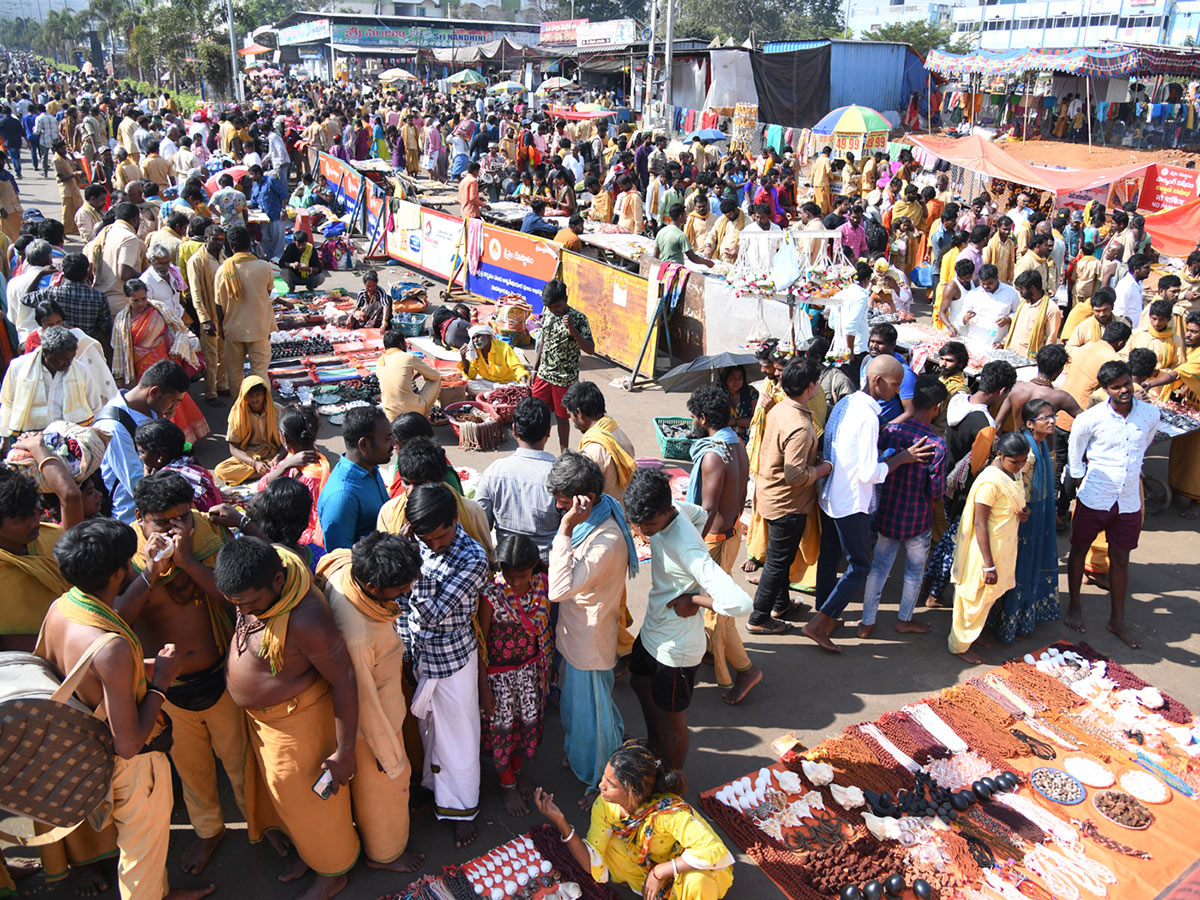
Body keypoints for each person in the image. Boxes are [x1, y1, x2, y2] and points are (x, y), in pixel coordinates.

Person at [37, 518, 215, 900]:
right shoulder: (111, 647)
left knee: (142, 847)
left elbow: (82, 673)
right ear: (119, 573)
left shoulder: (63, 607)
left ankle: (158, 892)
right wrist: (161, 682)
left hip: (82, 743)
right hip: (131, 766)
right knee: (142, 845)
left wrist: (138, 668)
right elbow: (129, 743)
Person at [117, 470, 248, 876]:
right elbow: (118, 617)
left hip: (221, 677)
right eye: (164, 523)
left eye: (184, 518)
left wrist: (187, 561)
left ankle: (262, 823)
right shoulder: (127, 557)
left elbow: (233, 597)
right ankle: (209, 831)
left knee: (241, 761)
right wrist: (151, 572)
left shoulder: (207, 540)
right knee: (192, 771)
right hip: (169, 690)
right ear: (140, 518)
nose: (178, 530)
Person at [217, 537, 361, 900]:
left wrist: (345, 752)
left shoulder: (307, 619)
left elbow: (344, 680)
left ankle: (332, 873)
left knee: (315, 808)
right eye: (237, 604)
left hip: (298, 727)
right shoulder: (263, 574)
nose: (243, 609)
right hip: (264, 723)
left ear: (277, 583)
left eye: (249, 603)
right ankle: (311, 855)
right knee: (288, 802)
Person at [622, 468, 752, 770]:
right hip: (653, 628)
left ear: (666, 511)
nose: (641, 530)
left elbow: (740, 602)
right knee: (640, 682)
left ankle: (673, 781)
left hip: (677, 648)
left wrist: (695, 599)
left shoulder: (689, 548)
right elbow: (700, 513)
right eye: (637, 524)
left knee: (672, 720)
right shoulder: (674, 510)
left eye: (648, 524)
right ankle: (655, 747)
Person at [316, 532, 427, 874]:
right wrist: (387, 754)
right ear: (374, 588)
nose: (407, 591)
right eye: (401, 587)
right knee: (384, 790)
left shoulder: (348, 569)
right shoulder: (356, 634)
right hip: (372, 723)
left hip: (387, 697)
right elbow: (362, 699)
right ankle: (386, 854)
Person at [807, 356, 934, 653]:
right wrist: (901, 459)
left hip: (831, 494)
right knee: (860, 565)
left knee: (830, 556)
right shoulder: (866, 417)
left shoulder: (847, 402)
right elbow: (868, 473)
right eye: (895, 385)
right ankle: (820, 624)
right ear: (877, 382)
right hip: (850, 500)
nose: (897, 392)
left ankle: (825, 612)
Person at [398, 483, 490, 848]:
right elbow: (405, 610)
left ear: (455, 521)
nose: (434, 544)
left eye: (441, 536)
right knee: (430, 732)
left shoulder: (473, 558)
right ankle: (434, 789)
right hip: (422, 658)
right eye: (426, 539)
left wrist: (412, 569)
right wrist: (407, 652)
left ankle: (463, 808)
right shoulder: (417, 542)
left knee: (459, 738)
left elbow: (433, 615)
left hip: (453, 663)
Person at [533, 740, 734, 900]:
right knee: (609, 845)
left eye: (610, 784)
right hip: (650, 864)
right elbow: (592, 861)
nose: (601, 786)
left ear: (634, 794)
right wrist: (560, 821)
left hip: (688, 867)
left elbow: (714, 851)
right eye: (603, 777)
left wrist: (661, 871)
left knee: (698, 883)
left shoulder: (669, 813)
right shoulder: (604, 806)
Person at [545, 451, 632, 803]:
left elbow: (558, 588)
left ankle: (602, 780)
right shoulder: (594, 516)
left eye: (563, 503)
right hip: (577, 632)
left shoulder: (605, 539)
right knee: (579, 711)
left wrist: (565, 528)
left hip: (590, 638)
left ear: (586, 501)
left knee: (593, 720)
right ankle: (585, 759)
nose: (557, 508)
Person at [1066, 360, 1159, 649]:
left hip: (1129, 500)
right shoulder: (1090, 419)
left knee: (1121, 559)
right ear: (1105, 390)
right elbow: (1075, 455)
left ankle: (1116, 619)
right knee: (1079, 550)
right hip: (1095, 496)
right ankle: (1075, 606)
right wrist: (1082, 483)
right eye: (1116, 387)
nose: (1123, 390)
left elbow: (1144, 446)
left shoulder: (1150, 414)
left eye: (1126, 384)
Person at [685, 384, 759, 704]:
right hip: (730, 535)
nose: (691, 423)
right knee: (717, 603)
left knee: (717, 610)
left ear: (703, 418)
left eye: (693, 418)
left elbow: (707, 509)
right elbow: (740, 496)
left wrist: (691, 544)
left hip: (714, 539)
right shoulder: (738, 445)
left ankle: (743, 670)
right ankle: (712, 652)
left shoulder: (713, 455)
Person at [859, 376, 948, 639]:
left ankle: (867, 622)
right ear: (938, 407)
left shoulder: (892, 431)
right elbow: (936, 490)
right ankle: (905, 619)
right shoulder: (937, 445)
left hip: (888, 514)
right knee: (913, 571)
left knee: (879, 568)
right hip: (917, 520)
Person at [746, 357, 828, 637]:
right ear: (810, 387)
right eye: (816, 382)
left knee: (778, 556)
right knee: (778, 561)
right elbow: (795, 475)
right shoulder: (800, 426)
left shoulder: (781, 408)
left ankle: (780, 605)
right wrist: (822, 468)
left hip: (770, 494)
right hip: (787, 503)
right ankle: (759, 617)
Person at [477, 534, 552, 817]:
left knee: (525, 726)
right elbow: (482, 644)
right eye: (510, 577)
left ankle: (517, 773)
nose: (517, 583)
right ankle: (507, 784)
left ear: (534, 567)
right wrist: (483, 688)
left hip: (531, 671)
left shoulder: (541, 587)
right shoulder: (491, 595)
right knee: (503, 733)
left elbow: (544, 633)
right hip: (500, 680)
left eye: (522, 576)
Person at [948, 430, 1032, 664]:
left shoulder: (1011, 475)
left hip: (1003, 547)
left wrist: (1022, 513)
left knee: (986, 599)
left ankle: (972, 636)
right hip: (986, 551)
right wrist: (988, 565)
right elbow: (980, 523)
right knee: (973, 599)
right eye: (1015, 461)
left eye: (1023, 461)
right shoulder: (990, 482)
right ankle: (959, 646)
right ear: (999, 454)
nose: (1020, 465)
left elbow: (1010, 505)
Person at [989, 398, 1060, 644]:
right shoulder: (1027, 453)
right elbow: (1007, 480)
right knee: (1018, 568)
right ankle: (1009, 621)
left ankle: (1021, 616)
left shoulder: (1041, 446)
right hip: (1023, 519)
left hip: (1035, 516)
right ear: (1030, 423)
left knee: (1028, 566)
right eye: (1045, 418)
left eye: (1053, 417)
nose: (1051, 422)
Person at [109, 277, 207, 442]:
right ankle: (164, 441)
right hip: (143, 371)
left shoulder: (160, 309)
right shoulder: (121, 320)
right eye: (135, 300)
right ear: (126, 299)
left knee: (174, 400)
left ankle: (185, 440)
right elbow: (119, 348)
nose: (140, 303)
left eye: (143, 299)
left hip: (164, 365)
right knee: (154, 405)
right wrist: (119, 377)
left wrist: (177, 349)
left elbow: (180, 329)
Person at [95, 360, 190, 524]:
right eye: (173, 401)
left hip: (160, 504)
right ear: (154, 392)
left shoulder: (151, 411)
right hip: (133, 517)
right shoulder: (114, 427)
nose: (174, 407)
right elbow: (137, 485)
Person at [474, 397, 559, 563]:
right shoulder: (560, 475)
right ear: (548, 432)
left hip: (507, 568)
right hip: (548, 570)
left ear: (514, 430)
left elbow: (481, 525)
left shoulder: (495, 471)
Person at [0, 326, 107, 437]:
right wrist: (4, 437)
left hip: (71, 437)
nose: (69, 363)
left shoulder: (80, 369)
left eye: (71, 358)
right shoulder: (19, 368)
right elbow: (8, 402)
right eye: (63, 358)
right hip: (32, 438)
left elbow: (95, 406)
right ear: (46, 352)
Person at [529, 279, 595, 452]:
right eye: (551, 307)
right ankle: (536, 451)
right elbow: (543, 340)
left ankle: (564, 453)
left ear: (566, 299)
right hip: (543, 375)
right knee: (539, 415)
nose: (554, 311)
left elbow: (590, 349)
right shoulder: (548, 313)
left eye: (557, 306)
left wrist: (573, 331)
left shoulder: (579, 319)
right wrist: (535, 369)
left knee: (562, 418)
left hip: (564, 379)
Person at [318, 407, 393, 552]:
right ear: (364, 445)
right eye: (387, 439)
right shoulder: (343, 496)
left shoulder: (370, 468)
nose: (393, 444)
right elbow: (340, 556)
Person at [215, 225, 273, 397]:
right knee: (260, 372)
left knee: (235, 374)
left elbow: (219, 305)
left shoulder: (223, 270)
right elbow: (267, 293)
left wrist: (221, 329)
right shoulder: (263, 267)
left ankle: (239, 409)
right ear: (250, 244)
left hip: (233, 329)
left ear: (231, 247)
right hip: (259, 327)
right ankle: (263, 410)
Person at [564, 380, 635, 501]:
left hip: (607, 514)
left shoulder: (592, 452)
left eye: (570, 414)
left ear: (579, 413)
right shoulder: (617, 431)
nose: (572, 420)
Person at [24, 251, 111, 348]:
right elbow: (105, 328)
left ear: (63, 272)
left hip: (58, 347)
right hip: (86, 347)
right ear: (87, 272)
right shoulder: (99, 297)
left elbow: (25, 298)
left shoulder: (51, 292)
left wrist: (40, 274)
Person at [134, 420, 222, 512]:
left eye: (142, 452)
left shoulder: (166, 481)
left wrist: (147, 478)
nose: (140, 457)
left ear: (160, 455)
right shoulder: (191, 465)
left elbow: (149, 508)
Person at [186, 224, 227, 404]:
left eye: (221, 240)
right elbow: (196, 293)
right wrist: (204, 319)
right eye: (215, 240)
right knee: (211, 356)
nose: (219, 243)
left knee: (224, 353)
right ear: (206, 239)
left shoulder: (223, 257)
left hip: (224, 314)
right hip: (209, 315)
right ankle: (211, 393)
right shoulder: (196, 261)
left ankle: (222, 385)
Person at [89, 201, 146, 316]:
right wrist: (147, 278)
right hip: (118, 303)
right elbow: (124, 272)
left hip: (99, 298)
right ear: (135, 219)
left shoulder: (105, 232)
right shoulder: (129, 238)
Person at [377, 328, 441, 422]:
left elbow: (397, 378)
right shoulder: (408, 357)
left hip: (390, 413)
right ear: (400, 344)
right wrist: (425, 374)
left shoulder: (380, 361)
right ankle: (423, 418)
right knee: (436, 380)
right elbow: (434, 376)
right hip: (410, 410)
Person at [858, 324, 916, 424]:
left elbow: (910, 412)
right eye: (872, 341)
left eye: (880, 343)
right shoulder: (867, 361)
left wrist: (885, 428)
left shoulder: (903, 373)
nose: (874, 346)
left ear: (892, 345)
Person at [1004, 269, 1061, 357]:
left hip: (1031, 358)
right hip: (1012, 353)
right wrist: (1003, 342)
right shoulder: (1023, 304)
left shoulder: (1051, 309)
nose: (1020, 293)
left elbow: (1051, 340)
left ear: (1032, 288)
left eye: (1022, 290)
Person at [460, 324, 528, 396]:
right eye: (473, 338)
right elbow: (471, 376)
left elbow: (516, 366)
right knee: (467, 383)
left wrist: (524, 383)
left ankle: (494, 394)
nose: (476, 340)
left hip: (508, 383)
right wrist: (463, 358)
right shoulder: (475, 352)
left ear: (488, 337)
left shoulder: (504, 347)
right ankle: (498, 394)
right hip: (490, 384)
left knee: (520, 387)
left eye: (478, 336)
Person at [654, 203, 714, 268]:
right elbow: (693, 258)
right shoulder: (680, 235)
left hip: (663, 268)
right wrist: (707, 262)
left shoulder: (661, 232)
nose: (686, 217)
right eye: (685, 215)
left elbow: (655, 256)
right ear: (681, 217)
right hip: (674, 270)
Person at [247, 164, 287, 261]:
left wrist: (283, 210)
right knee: (265, 239)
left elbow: (283, 196)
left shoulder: (270, 181)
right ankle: (269, 259)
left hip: (276, 216)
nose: (250, 177)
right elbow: (253, 202)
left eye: (252, 174)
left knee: (278, 240)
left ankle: (277, 260)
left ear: (258, 173)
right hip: (264, 218)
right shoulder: (255, 186)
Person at [1064, 288, 1115, 352]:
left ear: (1112, 307)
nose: (1102, 314)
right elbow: (1069, 348)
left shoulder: (1123, 324)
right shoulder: (1084, 326)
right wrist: (1087, 352)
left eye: (1105, 310)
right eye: (1097, 311)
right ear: (1092, 309)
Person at [1113, 253, 1152, 324]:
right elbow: (1118, 311)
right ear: (1136, 269)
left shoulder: (1138, 283)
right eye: (1146, 267)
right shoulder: (1126, 286)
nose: (1149, 270)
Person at [724, 365, 758, 442]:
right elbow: (719, 423)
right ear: (725, 379)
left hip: (749, 437)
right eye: (732, 378)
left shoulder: (751, 393)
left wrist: (734, 421)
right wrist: (740, 427)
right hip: (725, 436)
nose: (737, 381)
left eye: (740, 378)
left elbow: (754, 420)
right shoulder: (719, 394)